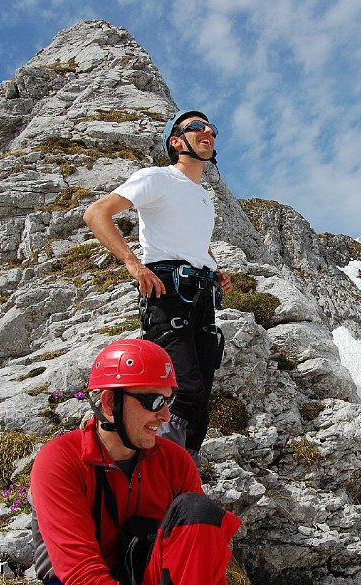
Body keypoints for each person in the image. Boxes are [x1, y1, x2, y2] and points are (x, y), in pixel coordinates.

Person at [29, 338, 241, 585]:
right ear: (109, 403)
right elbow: (82, 575)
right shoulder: (61, 460)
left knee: (198, 513)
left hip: (149, 582)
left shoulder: (175, 461)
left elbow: (201, 557)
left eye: (167, 401)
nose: (165, 416)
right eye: (152, 401)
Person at [83, 109, 232, 463]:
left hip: (201, 294)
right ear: (177, 142)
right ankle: (151, 467)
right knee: (183, 389)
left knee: (200, 395)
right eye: (196, 127)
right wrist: (133, 263)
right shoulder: (157, 178)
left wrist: (215, 267)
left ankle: (181, 473)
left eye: (210, 127)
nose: (207, 130)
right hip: (168, 292)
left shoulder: (203, 197)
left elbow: (193, 240)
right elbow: (96, 213)